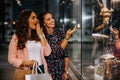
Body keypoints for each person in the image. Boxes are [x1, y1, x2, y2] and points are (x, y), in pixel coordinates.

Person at [8, 9, 51, 80]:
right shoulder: (16, 37)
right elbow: (11, 58)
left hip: (41, 69)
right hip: (26, 71)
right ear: (25, 20)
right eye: (33, 18)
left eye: (36, 18)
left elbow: (47, 52)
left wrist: (40, 34)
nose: (36, 20)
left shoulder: (39, 35)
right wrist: (26, 63)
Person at [39, 11, 77, 80]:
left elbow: (66, 54)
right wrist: (66, 38)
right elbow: (55, 53)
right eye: (48, 19)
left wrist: (66, 71)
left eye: (52, 18)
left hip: (61, 70)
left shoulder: (60, 32)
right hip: (48, 70)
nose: (52, 20)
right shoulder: (42, 37)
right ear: (43, 23)